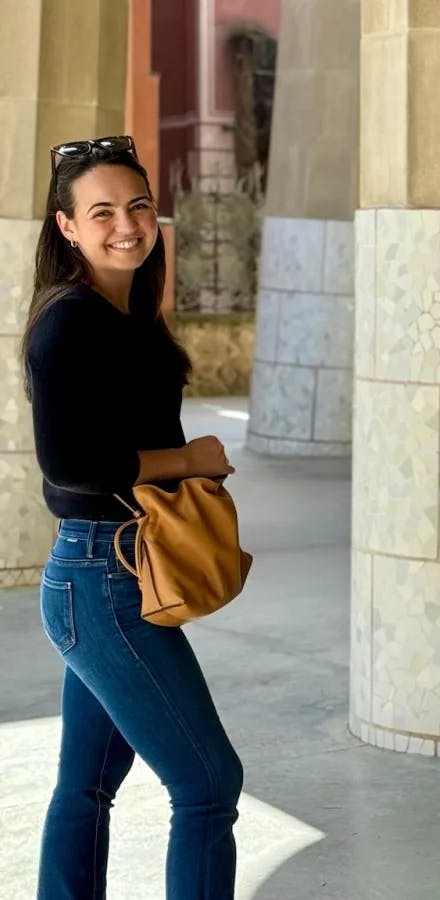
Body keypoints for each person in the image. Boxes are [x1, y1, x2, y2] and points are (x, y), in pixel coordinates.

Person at [22, 135, 242, 899]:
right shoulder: (69, 322)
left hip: (116, 573)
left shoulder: (129, 315)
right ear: (68, 227)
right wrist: (189, 462)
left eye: (139, 205)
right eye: (103, 211)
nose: (127, 224)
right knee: (210, 782)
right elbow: (70, 464)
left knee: (87, 784)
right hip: (99, 581)